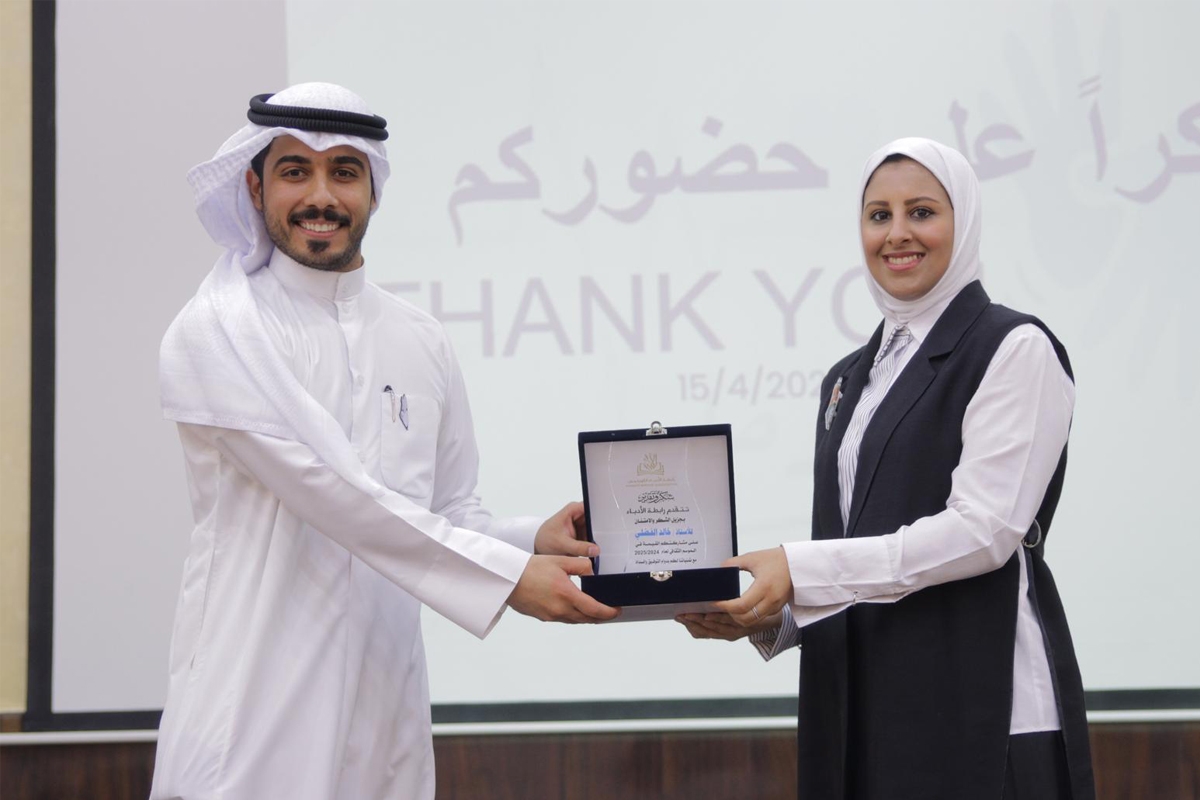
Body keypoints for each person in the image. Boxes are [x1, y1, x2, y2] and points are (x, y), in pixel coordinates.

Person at [152, 83, 618, 800]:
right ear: (254, 186)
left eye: (344, 171)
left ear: (373, 190)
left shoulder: (420, 339)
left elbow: (447, 510)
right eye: (294, 171)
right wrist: (505, 580)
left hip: (383, 709)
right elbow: (339, 497)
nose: (320, 196)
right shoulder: (219, 331)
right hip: (251, 707)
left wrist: (531, 540)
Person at [678, 138, 1095, 799]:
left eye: (922, 212)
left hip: (980, 707)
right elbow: (854, 550)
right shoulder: (848, 379)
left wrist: (797, 569)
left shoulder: (1014, 348)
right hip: (863, 713)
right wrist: (769, 615)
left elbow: (984, 532)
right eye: (879, 216)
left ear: (964, 222)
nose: (897, 233)